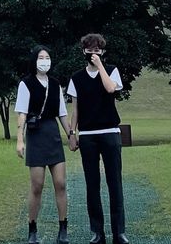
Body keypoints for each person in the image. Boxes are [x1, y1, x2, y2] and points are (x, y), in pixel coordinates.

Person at [67, 33, 128, 244]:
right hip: (88, 136)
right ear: (83, 51)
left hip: (110, 132)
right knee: (92, 184)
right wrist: (72, 134)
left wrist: (100, 65)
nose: (93, 53)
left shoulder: (111, 71)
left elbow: (111, 88)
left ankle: (118, 232)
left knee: (115, 183)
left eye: (97, 50)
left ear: (102, 51)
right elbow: (75, 109)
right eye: (89, 50)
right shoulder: (76, 78)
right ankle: (97, 232)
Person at [16, 46, 71, 244]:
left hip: (52, 133)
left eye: (47, 57)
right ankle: (32, 229)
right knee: (37, 185)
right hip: (35, 133)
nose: (45, 61)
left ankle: (63, 228)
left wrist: (71, 134)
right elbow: (21, 112)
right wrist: (20, 140)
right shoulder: (26, 83)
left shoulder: (56, 84)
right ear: (34, 61)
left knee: (60, 183)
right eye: (41, 57)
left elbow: (62, 113)